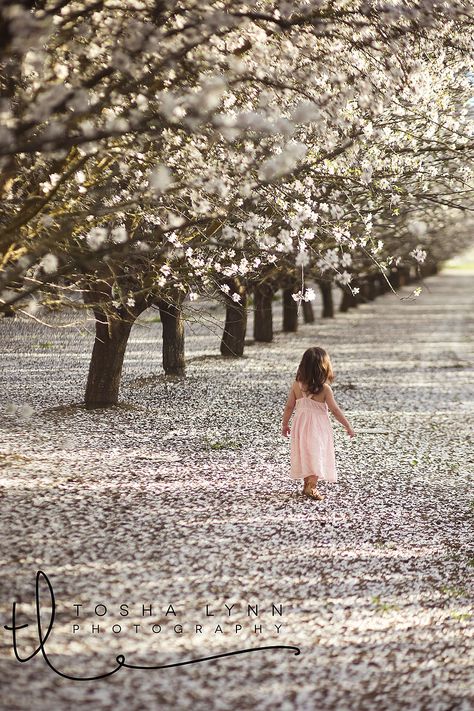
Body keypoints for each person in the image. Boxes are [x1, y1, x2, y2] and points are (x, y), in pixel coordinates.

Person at [281, 346, 355, 501]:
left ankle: (307, 484)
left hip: (300, 426)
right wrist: (347, 425)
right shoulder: (325, 389)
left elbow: (289, 406)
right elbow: (335, 410)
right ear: (324, 368)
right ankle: (311, 487)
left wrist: (285, 424)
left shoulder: (296, 385)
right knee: (316, 453)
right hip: (318, 428)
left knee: (305, 453)